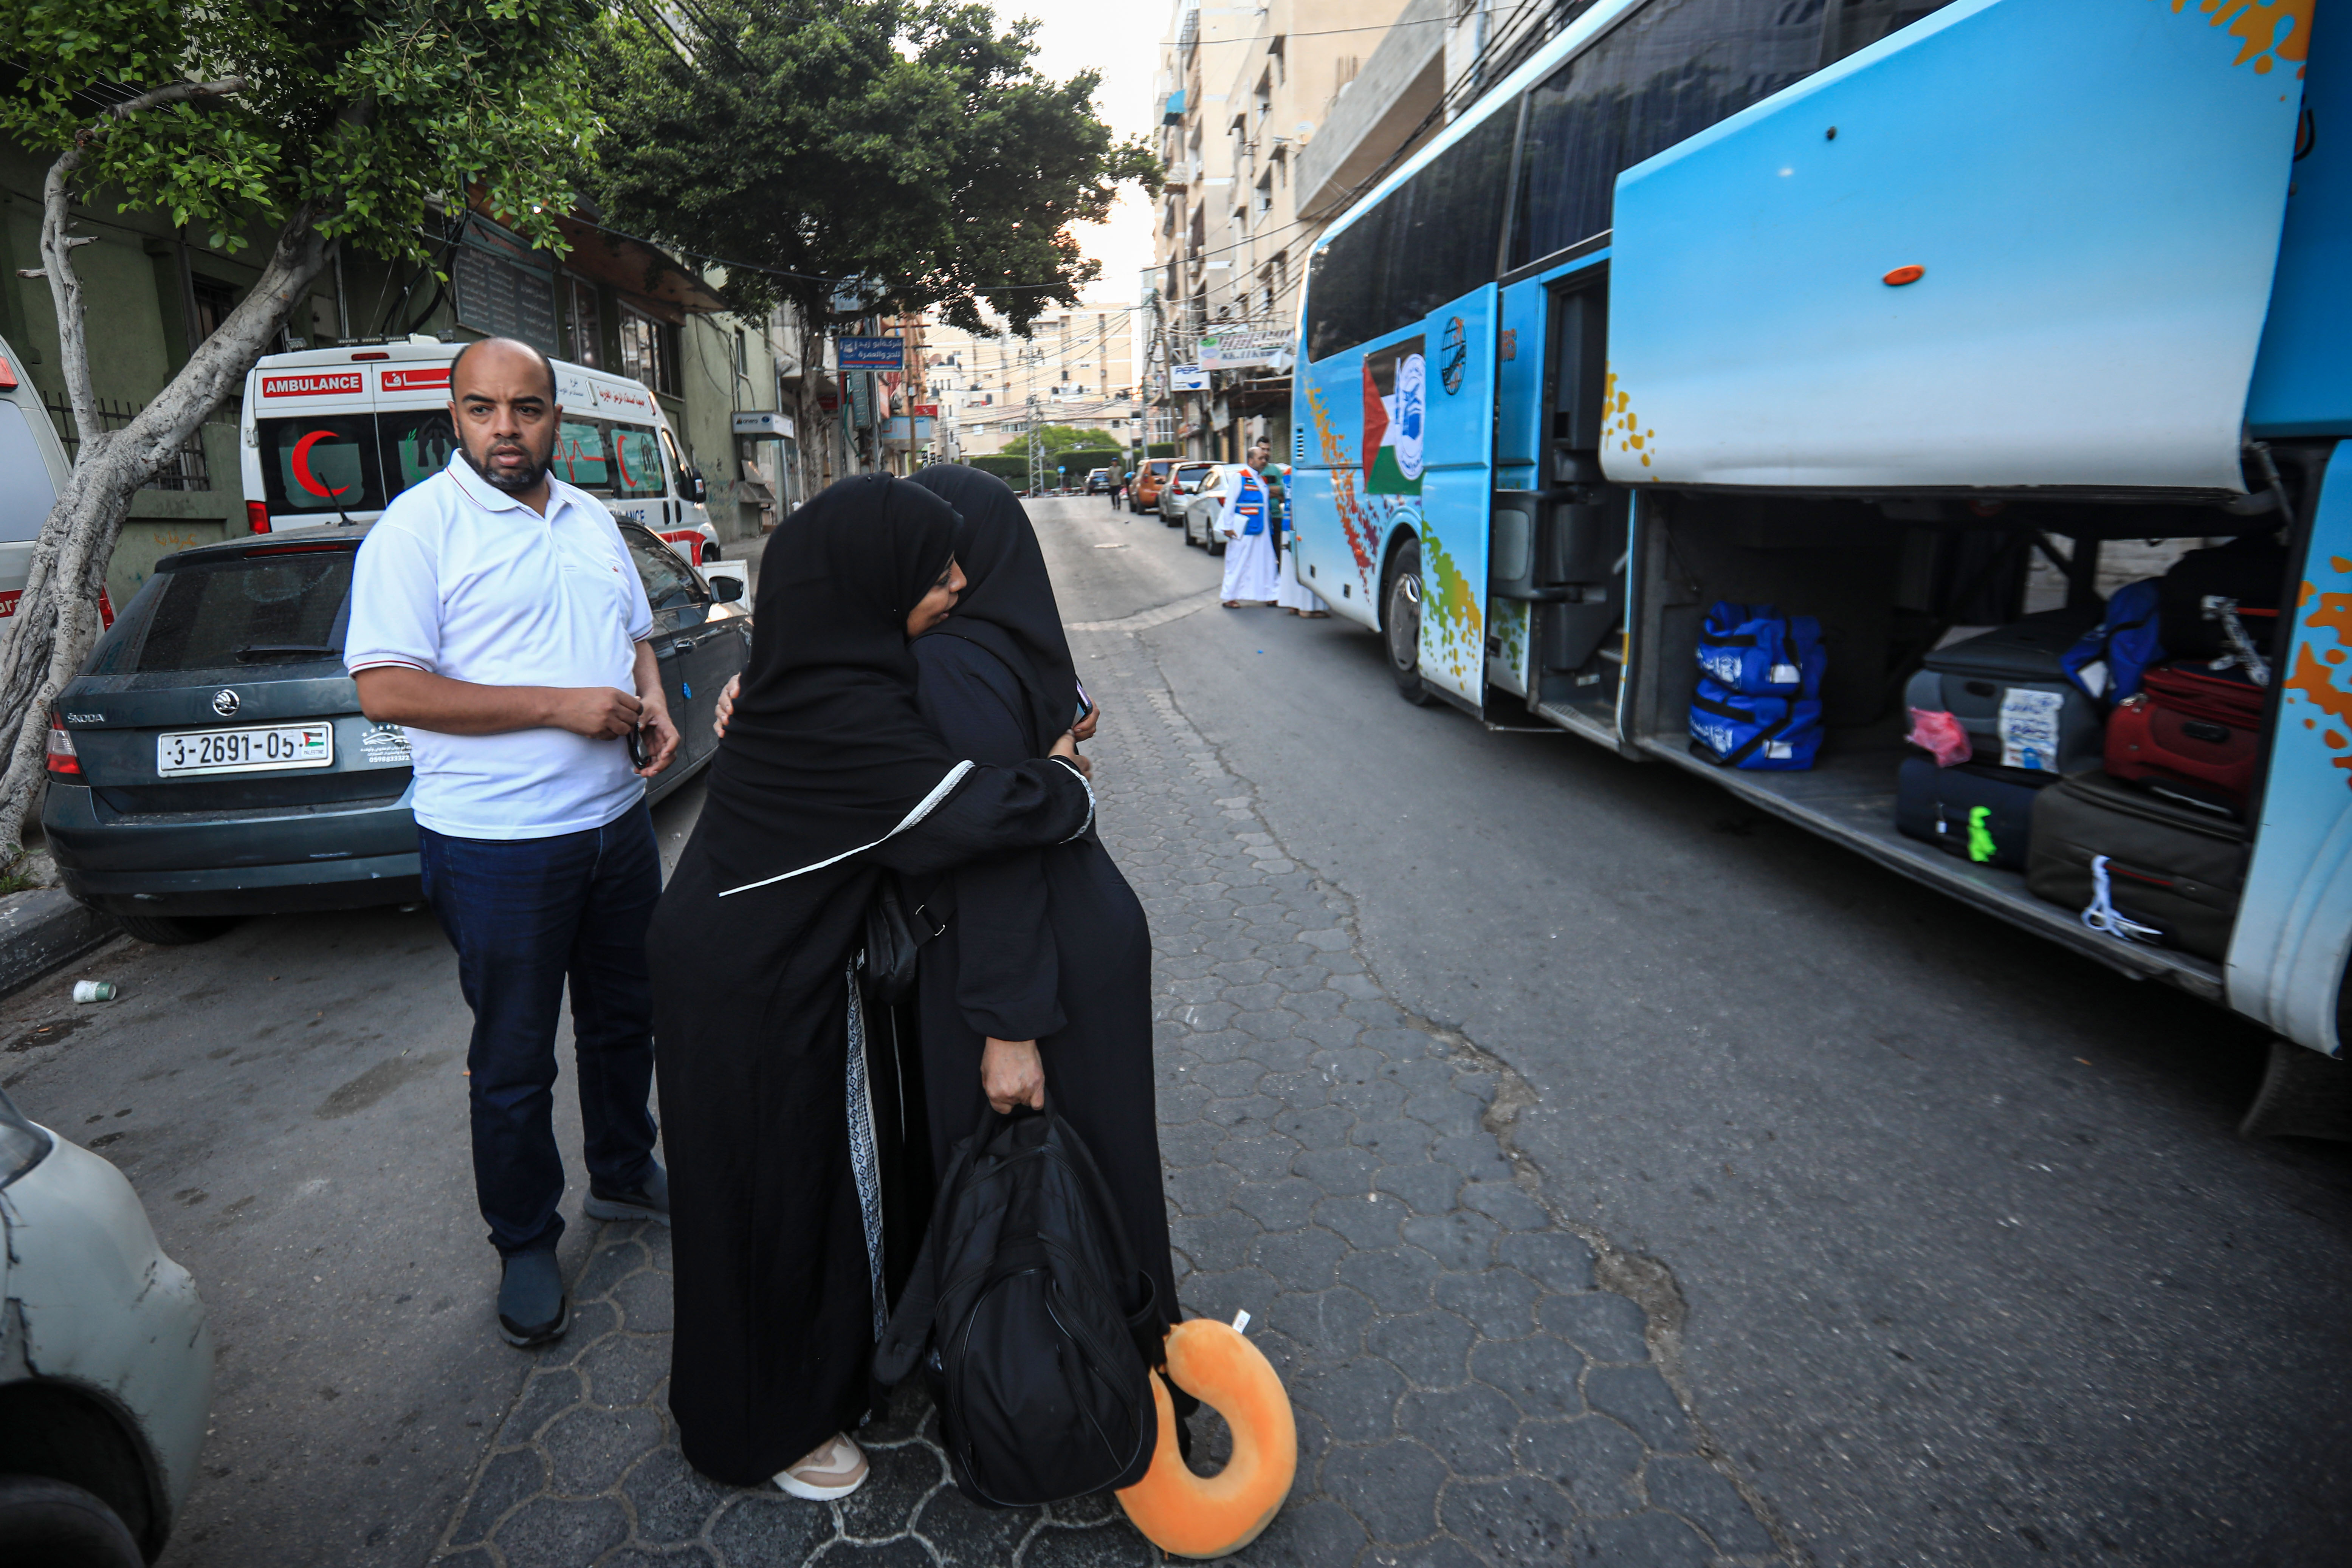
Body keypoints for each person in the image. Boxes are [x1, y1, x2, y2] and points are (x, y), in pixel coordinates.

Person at [648, 474, 1096, 1501]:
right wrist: (1064, 772)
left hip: (751, 968)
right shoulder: (841, 712)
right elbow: (975, 811)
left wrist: (1053, 706)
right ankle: (760, 1427)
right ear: (866, 582)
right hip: (745, 990)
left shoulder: (816, 674)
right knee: (764, 1196)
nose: (957, 581)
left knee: (780, 1187)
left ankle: (787, 1378)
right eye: (932, 570)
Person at [345, 336, 682, 1350]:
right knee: (512, 1055)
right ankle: (525, 1239)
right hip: (496, 843)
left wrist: (652, 698)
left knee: (627, 1019)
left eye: (526, 409)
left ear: (554, 420)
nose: (506, 429)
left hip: (615, 826)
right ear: (453, 415)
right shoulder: (418, 532)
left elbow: (631, 631)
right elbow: (386, 687)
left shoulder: (589, 518)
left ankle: (623, 1173)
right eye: (484, 409)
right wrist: (555, 706)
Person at [902, 464, 1179, 1334]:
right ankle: (1128, 1359)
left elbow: (998, 850)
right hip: (1078, 929)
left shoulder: (950, 661)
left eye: (937, 551)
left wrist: (1006, 1025)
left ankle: (1053, 1380)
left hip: (1026, 951)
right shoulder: (1023, 642)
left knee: (1029, 1179)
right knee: (1101, 1163)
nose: (930, 572)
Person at [1269, 457, 1331, 618]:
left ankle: (1293, 604)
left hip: (1287, 523)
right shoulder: (1308, 472)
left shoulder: (1289, 472)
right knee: (1307, 566)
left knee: (1291, 568)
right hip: (1304, 524)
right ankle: (1306, 608)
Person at [1218, 447, 1280, 607]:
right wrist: (1227, 527)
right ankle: (1230, 597)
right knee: (1239, 562)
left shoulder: (1262, 480)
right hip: (1245, 528)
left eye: (1265, 458)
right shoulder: (1240, 478)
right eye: (1261, 458)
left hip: (1263, 529)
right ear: (1251, 461)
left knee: (1266, 562)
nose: (1264, 461)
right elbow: (1230, 502)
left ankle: (1271, 595)